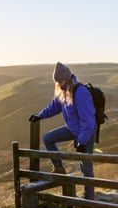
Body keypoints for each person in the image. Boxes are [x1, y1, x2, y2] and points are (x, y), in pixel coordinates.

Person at [29, 61, 97, 200]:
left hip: (86, 133)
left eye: (61, 80)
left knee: (86, 167)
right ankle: (59, 168)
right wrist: (39, 115)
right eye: (57, 81)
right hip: (73, 129)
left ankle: (89, 200)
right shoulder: (63, 92)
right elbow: (53, 107)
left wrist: (82, 142)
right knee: (48, 138)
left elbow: (88, 121)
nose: (59, 84)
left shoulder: (81, 93)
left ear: (67, 78)